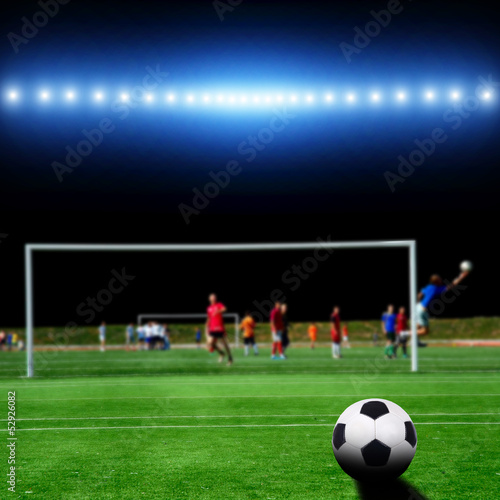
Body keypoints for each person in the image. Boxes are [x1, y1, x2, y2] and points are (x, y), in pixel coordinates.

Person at [416, 271, 470, 346]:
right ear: (436, 282)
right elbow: (452, 285)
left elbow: (419, 294)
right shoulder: (436, 289)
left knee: (418, 326)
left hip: (418, 307)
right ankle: (405, 334)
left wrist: (418, 303)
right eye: (439, 280)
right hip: (422, 310)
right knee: (425, 331)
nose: (441, 280)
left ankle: (413, 340)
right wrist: (461, 276)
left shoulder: (429, 286)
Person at [206, 293, 233, 365]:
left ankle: (230, 358)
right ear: (209, 299)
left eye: (214, 297)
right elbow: (209, 317)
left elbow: (225, 309)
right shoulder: (208, 308)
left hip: (220, 327)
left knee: (225, 343)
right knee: (211, 344)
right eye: (212, 297)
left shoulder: (219, 305)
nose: (213, 298)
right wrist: (207, 324)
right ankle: (221, 353)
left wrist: (218, 311)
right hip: (212, 328)